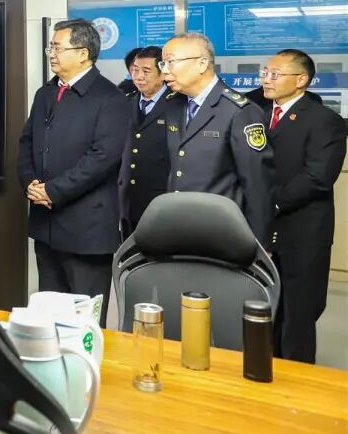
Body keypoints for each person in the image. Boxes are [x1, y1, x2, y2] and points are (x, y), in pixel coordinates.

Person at [19, 19, 130, 326]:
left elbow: (102, 159)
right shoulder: (46, 93)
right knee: (49, 319)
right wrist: (30, 183)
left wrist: (52, 191)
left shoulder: (110, 98)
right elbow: (27, 143)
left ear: (83, 54)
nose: (51, 54)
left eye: (58, 48)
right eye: (50, 48)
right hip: (46, 227)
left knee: (84, 325)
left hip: (87, 232)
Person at [257, 49, 346, 363]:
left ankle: (296, 380)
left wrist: (268, 202)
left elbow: (318, 177)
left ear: (301, 80)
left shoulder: (325, 121)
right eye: (265, 72)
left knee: (298, 315)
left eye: (275, 74)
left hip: (302, 231)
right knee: (263, 311)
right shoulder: (256, 114)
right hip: (261, 231)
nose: (266, 80)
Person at [160, 32, 276, 245]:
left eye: (171, 62)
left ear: (202, 63)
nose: (165, 70)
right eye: (163, 63)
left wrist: (260, 243)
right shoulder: (174, 105)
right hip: (178, 226)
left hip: (221, 231)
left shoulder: (239, 111)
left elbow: (258, 184)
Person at [118, 46, 182, 237]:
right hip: (127, 200)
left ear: (162, 74)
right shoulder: (125, 103)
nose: (138, 76)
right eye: (135, 70)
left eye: (146, 71)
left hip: (161, 201)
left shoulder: (178, 105)